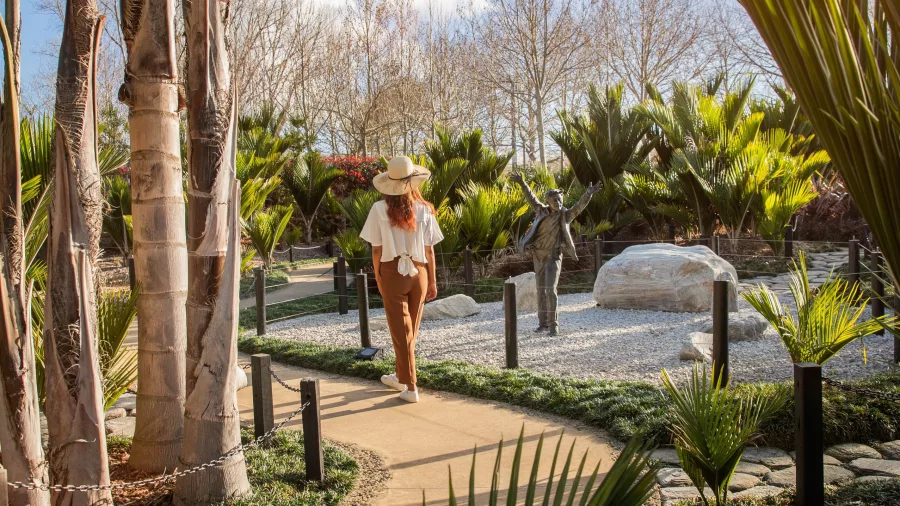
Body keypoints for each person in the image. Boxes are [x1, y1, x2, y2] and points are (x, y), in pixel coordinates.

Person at [360, 156, 442, 403]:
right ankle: (399, 375)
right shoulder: (425, 210)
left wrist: (379, 274)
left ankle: (411, 387)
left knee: (401, 331)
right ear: (413, 182)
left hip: (392, 270)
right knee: (410, 331)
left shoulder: (378, 209)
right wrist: (434, 281)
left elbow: (376, 249)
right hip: (420, 272)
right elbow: (429, 250)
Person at [509, 171, 600, 336]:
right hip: (538, 255)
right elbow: (531, 197)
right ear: (548, 202)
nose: (558, 202)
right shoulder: (541, 211)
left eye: (560, 199)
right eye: (554, 200)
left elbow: (579, 206)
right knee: (540, 289)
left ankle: (553, 325)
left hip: (553, 256)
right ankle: (542, 323)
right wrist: (522, 183)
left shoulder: (565, 215)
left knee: (550, 289)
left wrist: (588, 193)